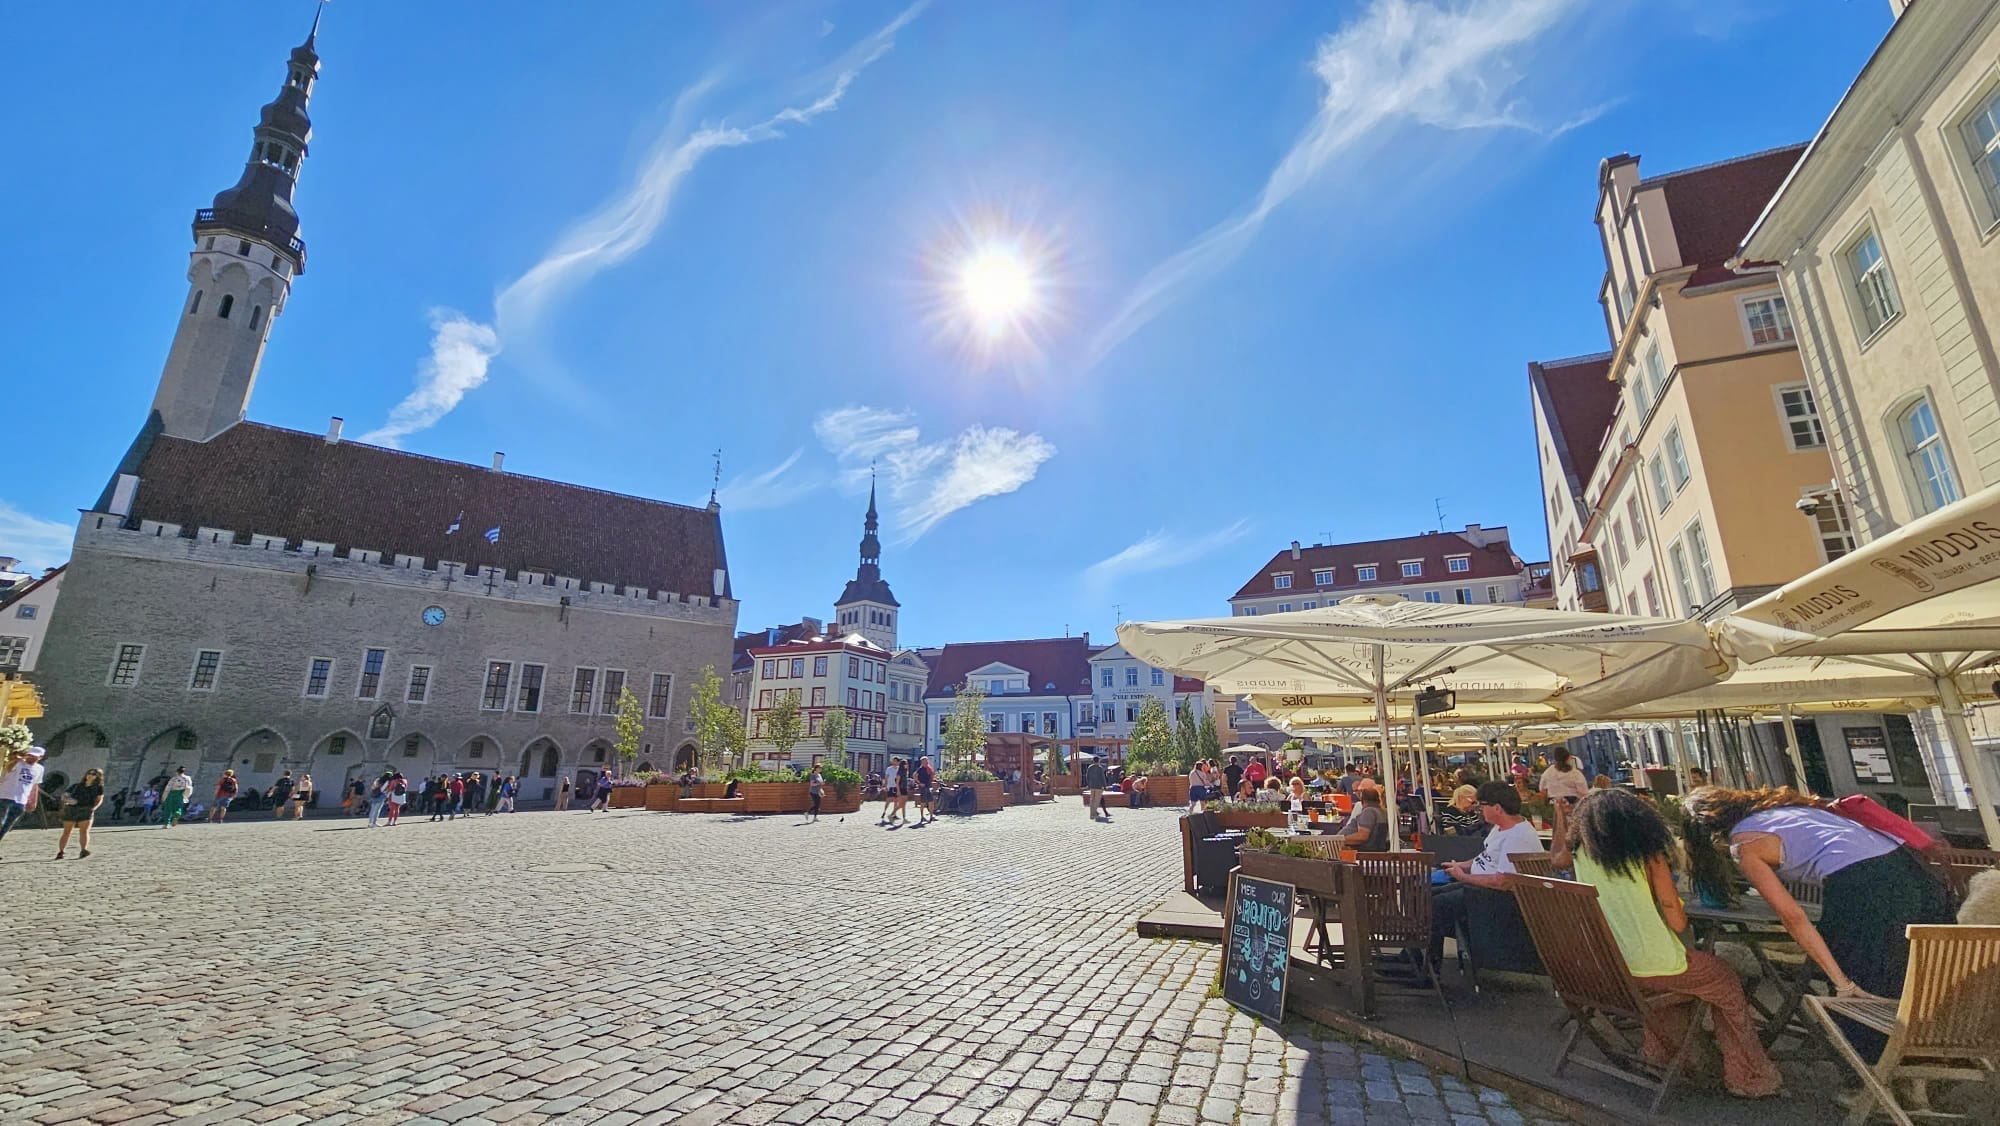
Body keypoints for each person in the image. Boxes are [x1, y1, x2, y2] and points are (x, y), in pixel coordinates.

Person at [1680, 786, 1954, 1060]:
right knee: (1918, 974)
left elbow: (1793, 917)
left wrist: (1842, 983)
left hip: (1867, 885)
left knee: (1858, 982)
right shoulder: (1790, 810)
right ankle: (1937, 1056)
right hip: (1916, 871)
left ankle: (1872, 1076)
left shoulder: (1744, 845)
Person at [1551, 790, 1781, 1099]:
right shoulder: (1648, 854)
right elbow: (1676, 920)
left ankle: (1661, 1056)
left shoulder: (1580, 855)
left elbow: (1557, 858)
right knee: (1724, 978)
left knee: (1680, 986)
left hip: (1608, 971)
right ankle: (1747, 1075)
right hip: (1652, 966)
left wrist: (1560, 818)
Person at [1428, 782, 1543, 971]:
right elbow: (1487, 856)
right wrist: (1461, 866)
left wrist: (1463, 877)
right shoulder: (1501, 828)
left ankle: (1428, 967)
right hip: (1481, 889)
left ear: (1497, 808)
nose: (1480, 810)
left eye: (1482, 805)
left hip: (1495, 899)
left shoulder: (1518, 837)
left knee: (1433, 903)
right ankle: (1419, 961)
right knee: (1428, 894)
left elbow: (1503, 881)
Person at [54, 767, 106, 860]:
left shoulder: (99, 788)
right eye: (89, 773)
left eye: (93, 774)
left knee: (84, 831)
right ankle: (61, 851)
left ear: (98, 777)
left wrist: (94, 808)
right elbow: (65, 794)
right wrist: (68, 799)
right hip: (72, 809)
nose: (90, 775)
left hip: (86, 809)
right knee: (67, 832)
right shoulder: (76, 786)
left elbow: (99, 799)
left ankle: (83, 850)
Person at [0, 745, 47, 846]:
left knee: (6, 826)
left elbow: (35, 785)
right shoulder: (18, 763)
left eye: (35, 756)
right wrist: (16, 760)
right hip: (5, 796)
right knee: (0, 822)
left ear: (40, 757)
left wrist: (33, 801)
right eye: (30, 755)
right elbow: (8, 768)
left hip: (21, 800)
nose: (31, 757)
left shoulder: (39, 769)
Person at [1337, 781, 1391, 852]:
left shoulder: (1369, 811)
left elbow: (1362, 836)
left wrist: (1339, 840)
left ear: (1363, 800)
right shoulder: (1381, 811)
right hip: (1364, 849)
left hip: (1353, 850)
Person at [1082, 754, 1109, 821]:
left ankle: (1091, 814)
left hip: (1092, 786)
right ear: (1098, 761)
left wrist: (1088, 783)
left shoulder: (1090, 767)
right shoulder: (1100, 768)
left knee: (1092, 800)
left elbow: (1087, 776)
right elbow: (1102, 777)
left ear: (1093, 761)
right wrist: (1105, 785)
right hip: (1099, 786)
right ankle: (1094, 814)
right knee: (1096, 801)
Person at [878, 758, 901, 825]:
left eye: (895, 761)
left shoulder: (899, 769)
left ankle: (894, 814)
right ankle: (884, 812)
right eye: (893, 761)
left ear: (898, 762)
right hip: (890, 786)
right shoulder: (889, 769)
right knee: (888, 800)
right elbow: (886, 777)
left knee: (896, 801)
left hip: (896, 786)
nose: (894, 762)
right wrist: (885, 785)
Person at [913, 757, 936, 825]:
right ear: (922, 762)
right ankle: (922, 816)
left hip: (928, 786)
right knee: (923, 802)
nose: (926, 762)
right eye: (925, 761)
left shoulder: (929, 768)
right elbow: (914, 776)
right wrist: (919, 783)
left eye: (927, 761)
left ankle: (931, 816)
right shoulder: (920, 769)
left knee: (931, 802)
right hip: (923, 787)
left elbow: (931, 776)